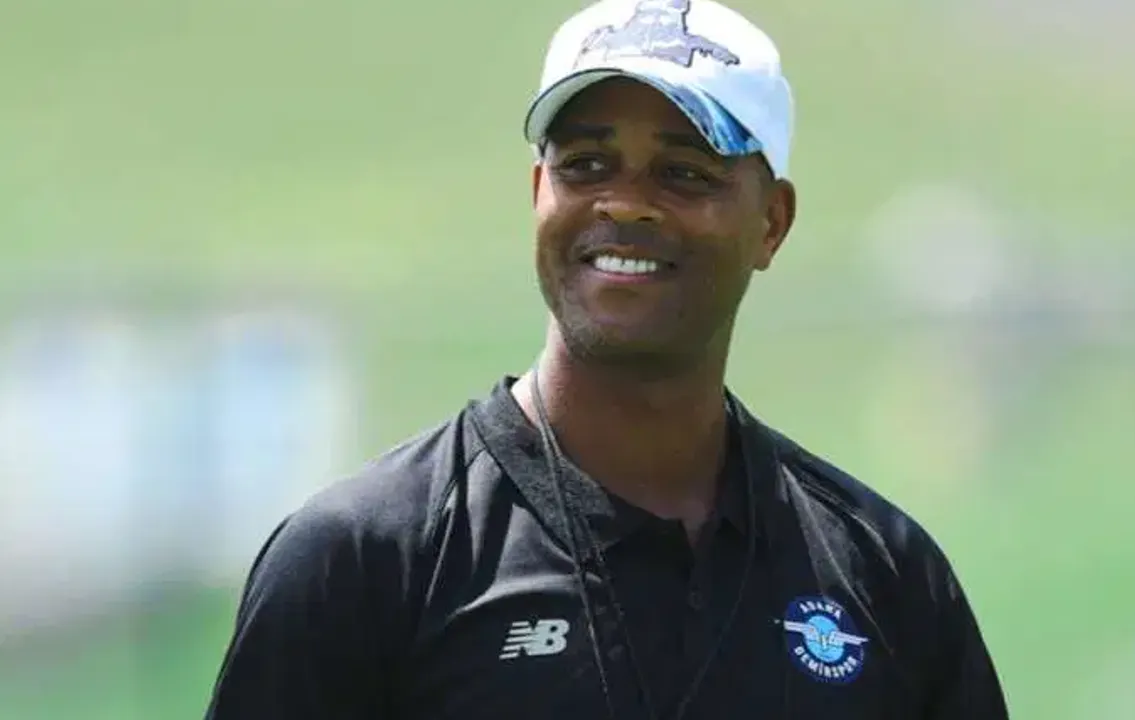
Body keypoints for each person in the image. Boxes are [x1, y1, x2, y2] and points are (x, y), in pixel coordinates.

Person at [203, 0, 1009, 718]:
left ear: (772, 222)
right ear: (538, 193)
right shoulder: (366, 560)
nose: (624, 202)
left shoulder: (884, 576)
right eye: (585, 165)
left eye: (684, 173)